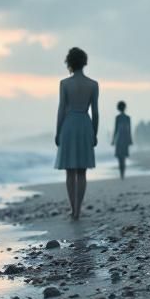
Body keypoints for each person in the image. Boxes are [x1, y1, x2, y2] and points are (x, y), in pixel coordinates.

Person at [54, 47, 99, 220]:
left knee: (70, 171)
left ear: (70, 62)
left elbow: (61, 110)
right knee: (82, 172)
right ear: (84, 62)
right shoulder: (93, 84)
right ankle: (78, 210)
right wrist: (94, 133)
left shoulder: (65, 84)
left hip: (69, 125)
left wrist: (58, 132)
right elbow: (95, 112)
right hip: (85, 124)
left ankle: (73, 209)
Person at [112, 101, 132, 179]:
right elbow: (129, 130)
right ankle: (122, 173)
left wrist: (113, 140)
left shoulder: (118, 118)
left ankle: (121, 173)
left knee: (120, 158)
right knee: (123, 158)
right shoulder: (128, 118)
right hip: (125, 139)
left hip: (119, 139)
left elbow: (116, 130)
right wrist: (130, 140)